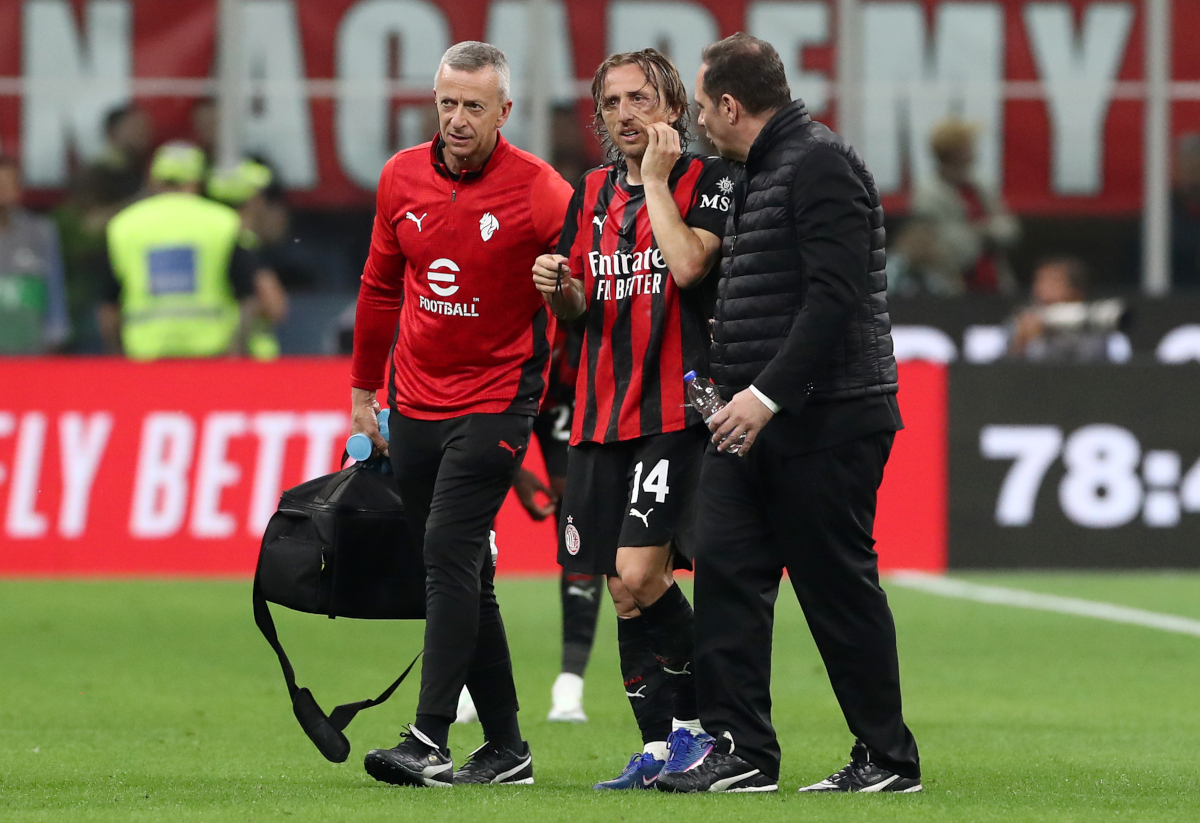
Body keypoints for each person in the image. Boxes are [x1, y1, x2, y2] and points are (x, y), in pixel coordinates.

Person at [654, 33, 921, 795]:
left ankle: (887, 758)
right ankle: (741, 750)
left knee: (836, 588)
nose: (700, 119)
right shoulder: (762, 170)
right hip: (749, 425)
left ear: (731, 105)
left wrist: (766, 394)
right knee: (729, 579)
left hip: (828, 418)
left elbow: (835, 297)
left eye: (704, 106)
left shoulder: (820, 164)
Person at [350, 41, 574, 788]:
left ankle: (429, 735)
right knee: (463, 570)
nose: (457, 119)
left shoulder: (542, 191)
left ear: (504, 111)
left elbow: (587, 294)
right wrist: (362, 390)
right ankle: (507, 748)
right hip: (413, 397)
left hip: (499, 397)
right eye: (447, 103)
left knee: (448, 546)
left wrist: (563, 288)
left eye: (473, 106)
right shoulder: (399, 177)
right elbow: (382, 287)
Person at [531, 48, 730, 790]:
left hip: (673, 408)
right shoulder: (585, 194)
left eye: (640, 98)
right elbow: (583, 310)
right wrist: (559, 288)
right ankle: (657, 745)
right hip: (597, 412)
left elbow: (685, 268)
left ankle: (701, 725)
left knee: (644, 569)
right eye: (611, 102)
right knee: (620, 584)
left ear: (673, 107)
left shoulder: (707, 182)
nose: (625, 114)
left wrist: (652, 182)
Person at [97, 142, 260, 359]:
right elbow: (249, 298)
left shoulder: (123, 226)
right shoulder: (224, 222)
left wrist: (118, 357)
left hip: (146, 359)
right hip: (211, 358)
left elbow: (109, 308)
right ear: (197, 181)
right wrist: (238, 348)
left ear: (154, 181)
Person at [902, 117, 1020, 296]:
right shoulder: (928, 196)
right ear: (954, 151)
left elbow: (1010, 230)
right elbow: (946, 247)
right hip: (952, 288)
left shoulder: (982, 188)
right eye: (968, 145)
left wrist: (977, 232)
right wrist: (985, 231)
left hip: (995, 283)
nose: (974, 151)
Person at [206, 159, 289, 359]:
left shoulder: (208, 241)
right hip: (248, 356)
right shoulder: (244, 243)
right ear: (255, 201)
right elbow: (275, 306)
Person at [0, 155, 70, 354]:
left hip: (31, 347)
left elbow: (54, 283)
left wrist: (57, 332)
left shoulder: (41, 231)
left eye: (11, 182)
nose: (6, 189)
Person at [1006, 257, 1116, 362]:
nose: (1041, 291)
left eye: (1052, 282)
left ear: (1076, 292)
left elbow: (1089, 359)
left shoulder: (1095, 322)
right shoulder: (1023, 321)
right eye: (1039, 282)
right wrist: (1022, 342)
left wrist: (1049, 333)